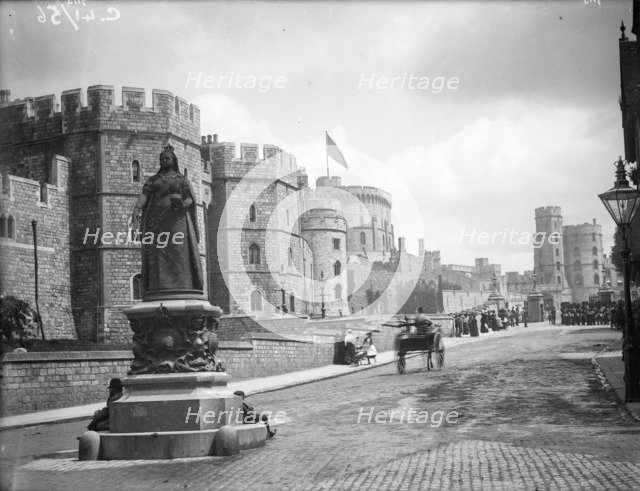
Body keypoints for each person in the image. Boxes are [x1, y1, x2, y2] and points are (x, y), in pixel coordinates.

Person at [131, 145, 204, 299]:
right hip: (156, 220)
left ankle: (182, 285)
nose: (164, 161)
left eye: (167, 159)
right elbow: (144, 197)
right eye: (162, 159)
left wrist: (183, 204)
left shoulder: (180, 179)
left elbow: (189, 197)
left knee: (178, 252)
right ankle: (159, 286)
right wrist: (136, 211)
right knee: (158, 253)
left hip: (176, 220)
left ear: (173, 160)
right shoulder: (153, 180)